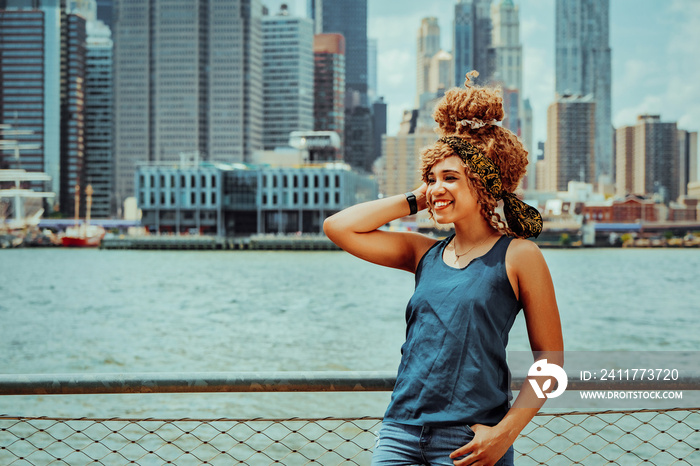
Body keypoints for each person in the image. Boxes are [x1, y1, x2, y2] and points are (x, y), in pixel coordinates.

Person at [323, 71, 563, 466]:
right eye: (431, 177)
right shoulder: (423, 253)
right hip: (399, 433)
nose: (436, 187)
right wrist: (420, 196)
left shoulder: (519, 256)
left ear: (485, 183)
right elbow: (339, 227)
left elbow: (551, 362)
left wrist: (504, 434)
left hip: (470, 442)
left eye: (450, 177)